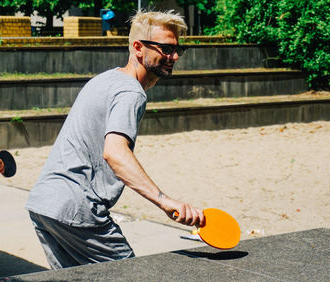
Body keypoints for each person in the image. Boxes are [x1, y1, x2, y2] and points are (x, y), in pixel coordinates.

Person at [25, 10, 205, 269]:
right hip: (77, 208)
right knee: (129, 274)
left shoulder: (106, 79)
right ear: (138, 47)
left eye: (177, 50)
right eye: (166, 49)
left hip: (45, 204)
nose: (174, 57)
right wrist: (165, 201)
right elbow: (115, 153)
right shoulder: (130, 92)